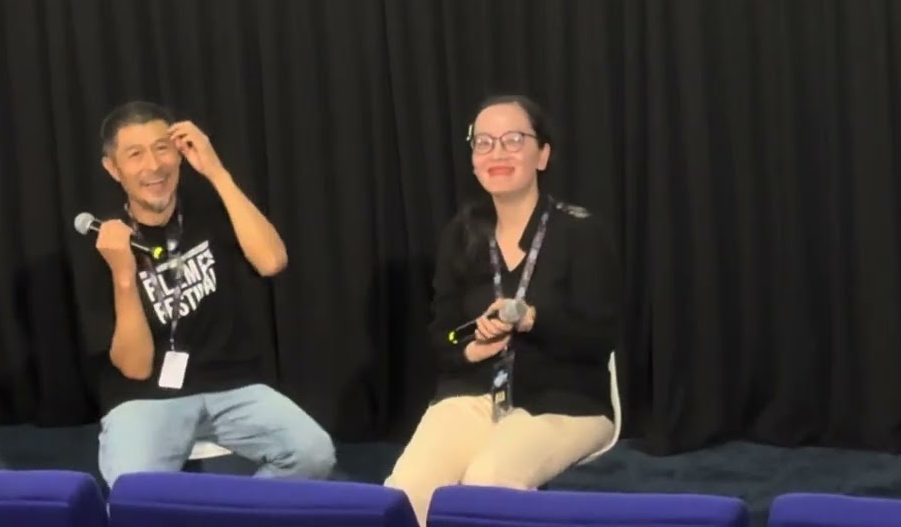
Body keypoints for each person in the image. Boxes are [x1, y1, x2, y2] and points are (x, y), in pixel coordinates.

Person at [71, 100, 336, 488]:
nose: (154, 166)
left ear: (180, 153)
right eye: (135, 154)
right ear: (113, 168)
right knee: (134, 490)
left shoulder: (212, 207)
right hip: (146, 396)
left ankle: (238, 513)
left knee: (314, 454)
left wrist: (217, 172)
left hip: (231, 383)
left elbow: (272, 261)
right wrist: (124, 274)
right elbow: (135, 368)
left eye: (162, 148)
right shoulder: (103, 241)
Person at [384, 95, 622, 525]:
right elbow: (442, 335)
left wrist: (534, 320)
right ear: (473, 160)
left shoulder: (581, 232)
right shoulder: (461, 235)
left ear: (542, 154)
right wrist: (469, 349)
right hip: (474, 395)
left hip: (563, 401)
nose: (497, 153)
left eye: (513, 140)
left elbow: (599, 337)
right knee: (406, 491)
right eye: (484, 142)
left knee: (488, 482)